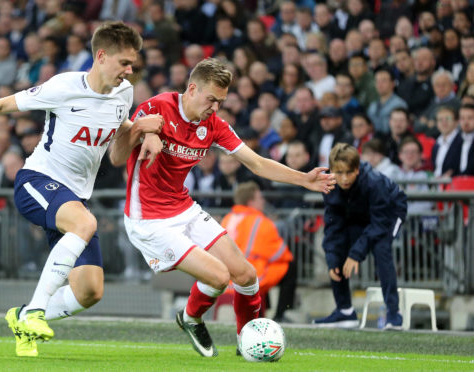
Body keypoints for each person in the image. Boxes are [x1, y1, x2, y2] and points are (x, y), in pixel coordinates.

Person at [0, 22, 164, 357]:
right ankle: (35, 310)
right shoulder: (64, 86)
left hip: (74, 199)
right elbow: (1, 104)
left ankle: (21, 318)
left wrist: (138, 131)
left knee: (90, 292)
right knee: (85, 223)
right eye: (124, 62)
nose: (130, 70)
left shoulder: (124, 93)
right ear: (102, 56)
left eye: (133, 63)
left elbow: (117, 156)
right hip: (36, 181)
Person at [111, 58, 335, 357]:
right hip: (148, 219)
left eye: (221, 101)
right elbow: (116, 157)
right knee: (218, 277)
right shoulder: (157, 107)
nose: (215, 107)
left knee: (246, 275)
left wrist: (303, 180)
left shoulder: (213, 124)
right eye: (211, 99)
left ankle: (249, 343)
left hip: (183, 207)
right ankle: (191, 318)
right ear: (192, 89)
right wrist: (141, 129)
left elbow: (256, 163)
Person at [313, 143, 407, 329]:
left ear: (357, 169)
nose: (344, 178)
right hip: (360, 214)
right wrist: (333, 260)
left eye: (349, 172)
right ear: (331, 171)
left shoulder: (374, 182)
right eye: (339, 173)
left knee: (381, 248)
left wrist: (356, 254)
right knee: (337, 251)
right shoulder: (330, 186)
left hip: (390, 212)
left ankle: (394, 314)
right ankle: (345, 311)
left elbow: (379, 224)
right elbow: (333, 228)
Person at [221, 181, 293, 317]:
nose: (263, 201)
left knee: (265, 264)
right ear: (250, 202)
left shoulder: (227, 218)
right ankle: (280, 314)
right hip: (251, 277)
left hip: (225, 277)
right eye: (260, 198)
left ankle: (264, 308)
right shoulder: (262, 222)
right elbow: (282, 254)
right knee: (288, 266)